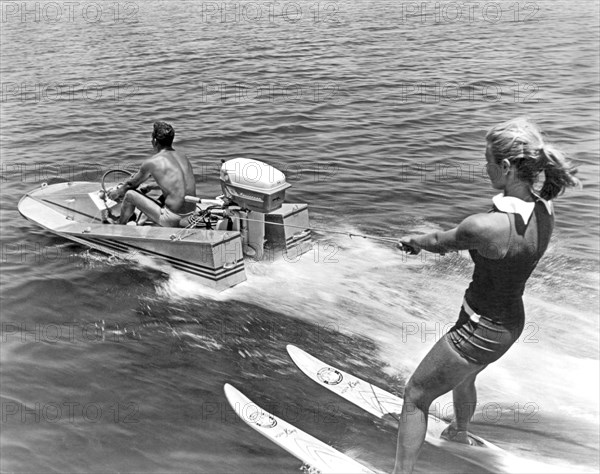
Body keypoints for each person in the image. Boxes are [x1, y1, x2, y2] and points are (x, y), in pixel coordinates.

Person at [393, 118, 580, 474]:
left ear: (506, 168)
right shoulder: (545, 208)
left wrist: (413, 241)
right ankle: (460, 432)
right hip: (509, 324)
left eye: (488, 161)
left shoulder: (484, 225)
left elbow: (437, 242)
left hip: (478, 330)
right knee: (466, 376)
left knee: (415, 397)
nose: (484, 168)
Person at [107, 121, 197, 226]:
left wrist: (116, 193)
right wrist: (150, 186)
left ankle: (120, 225)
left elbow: (130, 185)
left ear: (154, 141)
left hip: (172, 220)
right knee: (167, 195)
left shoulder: (152, 162)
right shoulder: (183, 157)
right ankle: (142, 220)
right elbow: (178, 184)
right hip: (191, 216)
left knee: (129, 195)